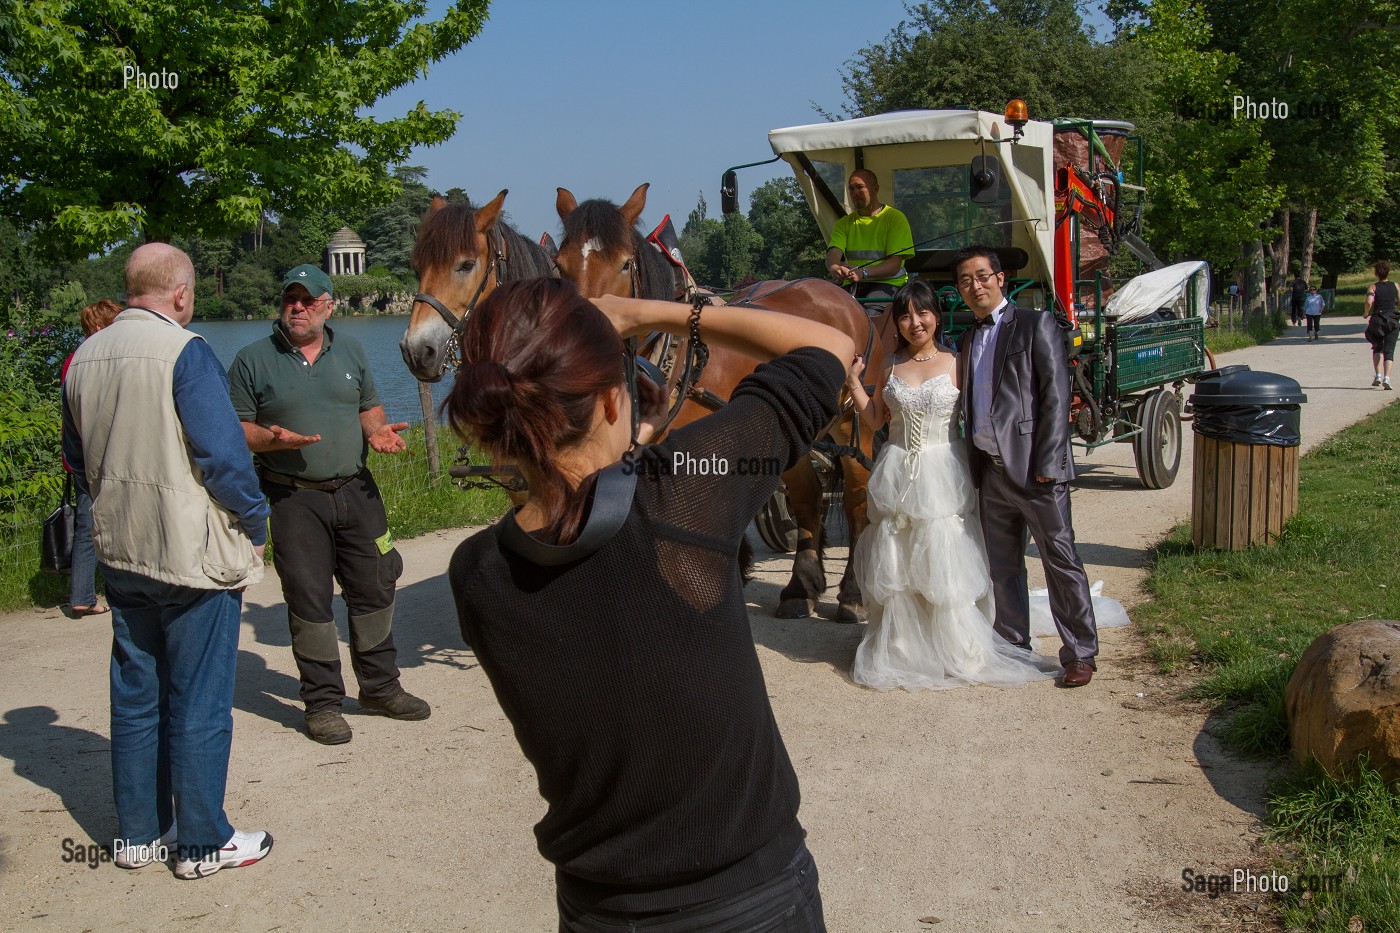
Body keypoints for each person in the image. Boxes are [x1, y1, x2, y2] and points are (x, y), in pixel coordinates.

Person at [444, 278, 854, 931]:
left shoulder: (477, 575)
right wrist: (650, 312)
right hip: (749, 900)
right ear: (612, 400)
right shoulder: (682, 491)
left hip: (598, 910)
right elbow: (829, 343)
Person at [61, 243, 273, 879]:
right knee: (200, 700)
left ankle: (140, 834)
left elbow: (76, 456)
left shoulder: (83, 359)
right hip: (187, 552)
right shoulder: (186, 351)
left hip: (121, 550)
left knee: (135, 695)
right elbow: (224, 456)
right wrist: (256, 518)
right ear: (180, 293)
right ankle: (203, 843)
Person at [228, 264, 428, 745]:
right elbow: (237, 430)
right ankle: (321, 703)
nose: (296, 307)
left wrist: (377, 431)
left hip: (357, 491)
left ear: (327, 306)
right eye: (289, 300)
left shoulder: (352, 350)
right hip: (293, 498)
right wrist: (271, 437)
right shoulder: (252, 360)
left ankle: (380, 688)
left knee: (376, 585)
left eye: (307, 300)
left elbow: (367, 406)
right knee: (309, 600)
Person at [845, 280, 1059, 691]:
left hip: (944, 468)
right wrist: (855, 381)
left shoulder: (957, 361)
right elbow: (875, 420)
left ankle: (956, 645)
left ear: (936, 316)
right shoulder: (889, 365)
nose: (914, 322)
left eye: (921, 313)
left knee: (945, 556)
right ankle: (905, 646)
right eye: (904, 315)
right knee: (898, 558)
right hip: (899, 468)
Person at [952, 246, 1099, 687]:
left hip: (1037, 469)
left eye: (981, 276)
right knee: (1004, 566)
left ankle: (1080, 652)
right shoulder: (967, 337)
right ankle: (1014, 643)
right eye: (965, 280)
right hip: (991, 472)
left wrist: (1050, 462)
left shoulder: (1037, 324)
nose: (974, 286)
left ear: (1000, 278)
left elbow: (1056, 397)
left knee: (1060, 559)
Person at [59, 299, 122, 618]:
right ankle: (83, 594)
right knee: (89, 526)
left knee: (89, 523)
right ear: (100, 328)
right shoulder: (93, 358)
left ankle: (85, 592)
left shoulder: (76, 358)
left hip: (80, 453)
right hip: (94, 455)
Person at [825, 169, 915, 306]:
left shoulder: (895, 218)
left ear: (876, 188)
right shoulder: (844, 223)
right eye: (851, 188)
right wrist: (834, 268)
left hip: (889, 284)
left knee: (870, 314)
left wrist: (864, 272)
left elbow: (894, 265)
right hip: (856, 284)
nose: (855, 193)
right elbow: (833, 253)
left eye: (860, 187)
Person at [1363, 260, 1398, 389]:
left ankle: (1377, 375)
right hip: (1392, 320)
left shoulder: (1373, 287)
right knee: (1389, 351)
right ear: (1388, 272)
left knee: (1377, 347)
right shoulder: (1395, 286)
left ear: (1376, 273)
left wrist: (1366, 312)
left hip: (1377, 320)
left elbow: (1369, 301)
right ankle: (1387, 379)